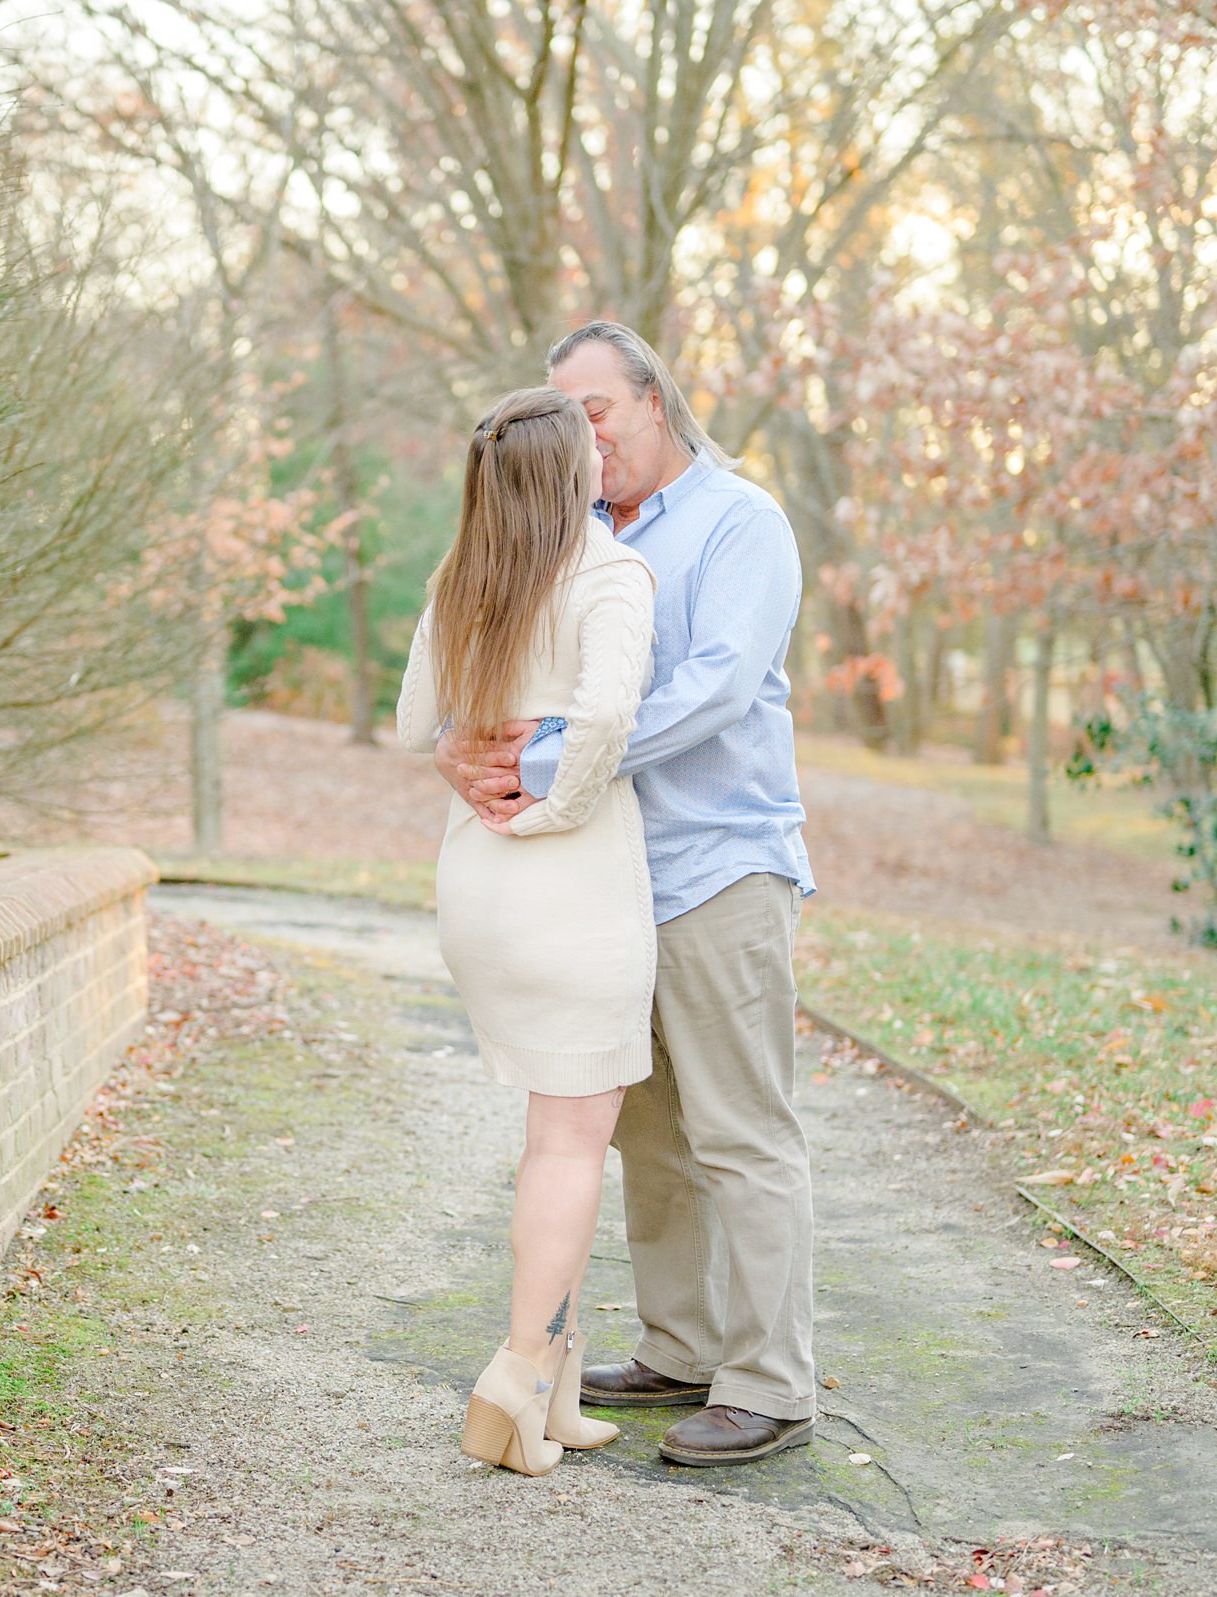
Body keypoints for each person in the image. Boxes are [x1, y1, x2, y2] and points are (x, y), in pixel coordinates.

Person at [435, 322, 818, 1468]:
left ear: (655, 400)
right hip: (605, 884)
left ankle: (770, 1382)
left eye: (596, 409)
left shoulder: (742, 523)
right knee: (646, 1135)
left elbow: (712, 690)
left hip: (719, 867)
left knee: (743, 1131)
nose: (583, 434)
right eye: (566, 416)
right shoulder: (580, 537)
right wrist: (463, 746)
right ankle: (683, 1346)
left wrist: (543, 761)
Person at [396, 386, 659, 1477]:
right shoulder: (608, 572)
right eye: (592, 446)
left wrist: (479, 757)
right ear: (569, 475)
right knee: (570, 1141)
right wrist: (556, 804)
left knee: (555, 1135)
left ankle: (551, 1386)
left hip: (476, 886)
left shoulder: (463, 577)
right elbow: (605, 714)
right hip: (571, 885)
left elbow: (420, 723)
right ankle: (514, 1367)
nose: (608, 456)